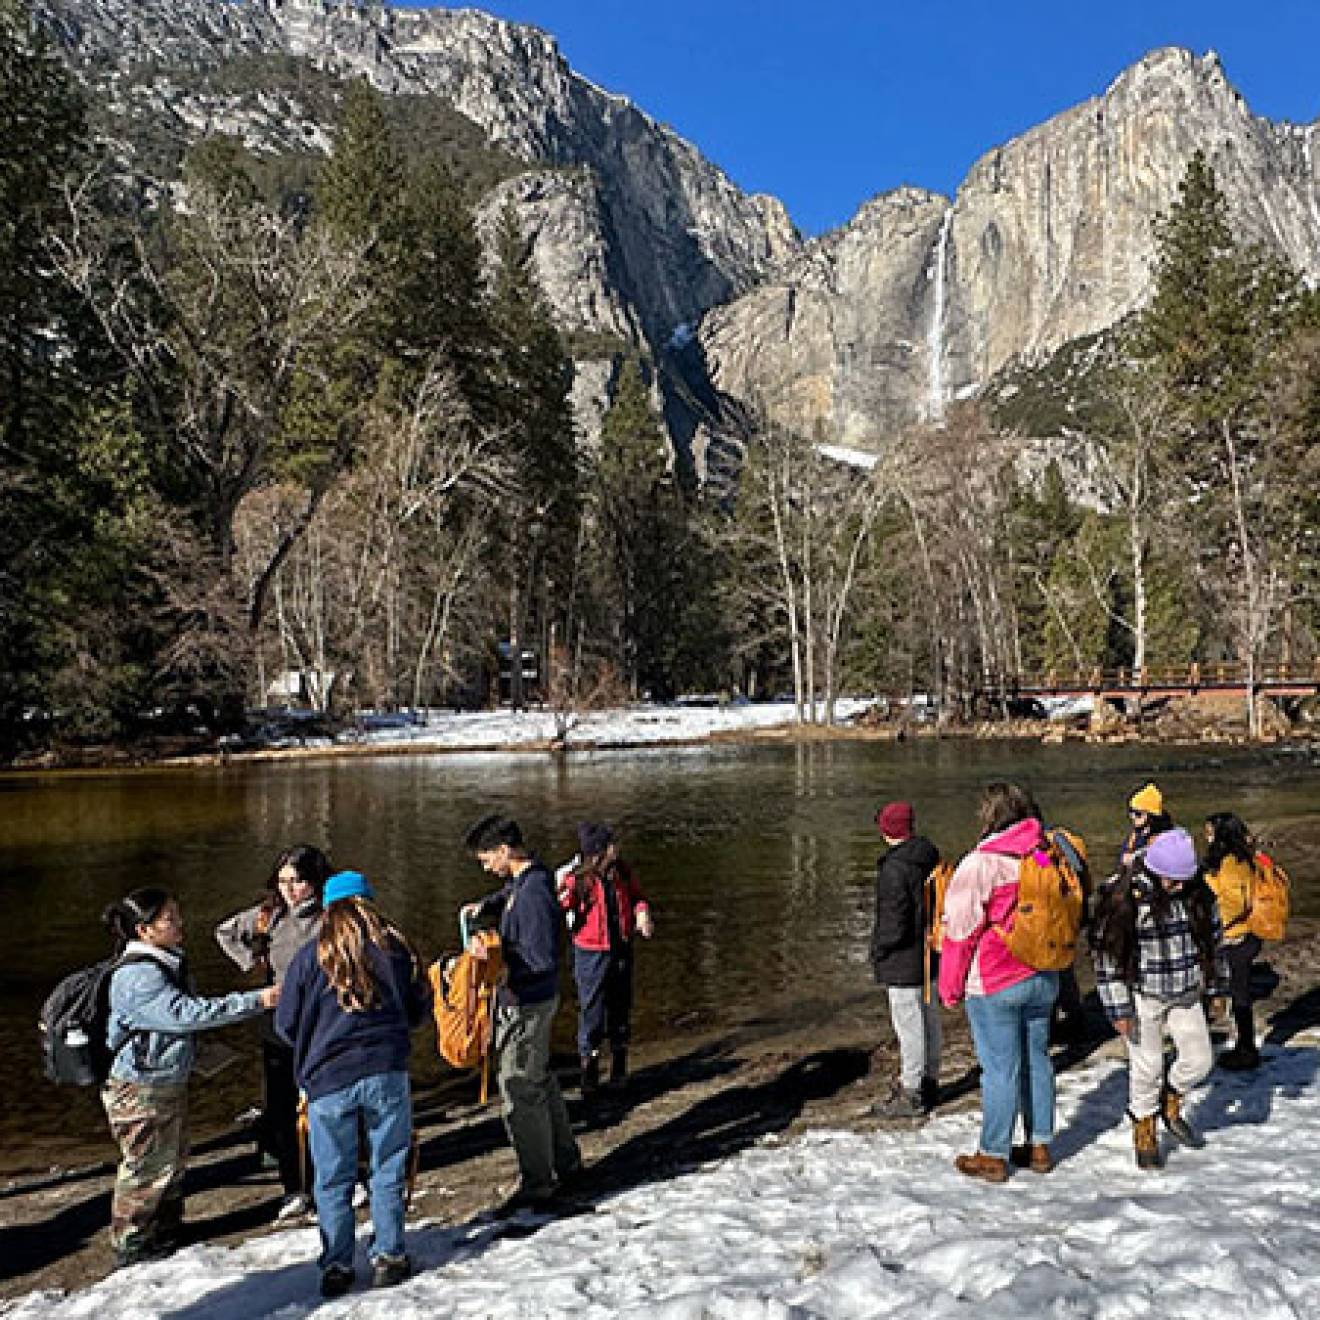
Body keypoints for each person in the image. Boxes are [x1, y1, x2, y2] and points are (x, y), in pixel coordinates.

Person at [276, 870, 430, 1298]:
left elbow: (285, 1023)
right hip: (386, 1069)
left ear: (327, 908)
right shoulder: (395, 950)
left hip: (328, 1079)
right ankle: (389, 1256)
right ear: (369, 903)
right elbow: (420, 1007)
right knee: (387, 1165)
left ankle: (338, 1265)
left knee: (332, 1176)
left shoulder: (310, 957)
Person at [102, 888, 276, 1269]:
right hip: (140, 1087)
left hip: (163, 1081)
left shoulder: (164, 963)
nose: (179, 924)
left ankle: (163, 1229)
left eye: (177, 915)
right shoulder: (138, 976)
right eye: (169, 919)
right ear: (144, 930)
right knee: (145, 1165)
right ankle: (131, 1242)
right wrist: (256, 1001)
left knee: (172, 1159)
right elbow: (185, 1014)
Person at [938, 782, 1059, 1183]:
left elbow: (960, 931)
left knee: (999, 1069)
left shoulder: (981, 863)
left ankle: (993, 1153)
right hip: (1044, 972)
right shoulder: (1045, 851)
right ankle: (1039, 1144)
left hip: (996, 980)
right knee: (1037, 1059)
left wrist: (949, 987)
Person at [463, 813, 583, 1213]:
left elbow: (541, 956)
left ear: (504, 850)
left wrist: (498, 964)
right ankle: (566, 1162)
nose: (486, 867)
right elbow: (510, 893)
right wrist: (487, 905)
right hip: (535, 1000)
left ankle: (538, 1181)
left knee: (518, 1087)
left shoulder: (532, 895)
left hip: (528, 1004)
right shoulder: (529, 880)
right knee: (541, 1079)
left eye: (486, 860)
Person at [1091, 828, 1227, 1169]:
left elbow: (1214, 944)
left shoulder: (1197, 893)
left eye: (1184, 880)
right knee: (1147, 1066)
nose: (1179, 887)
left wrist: (1216, 988)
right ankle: (1144, 1125)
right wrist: (1118, 1008)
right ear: (1156, 870)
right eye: (1173, 881)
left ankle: (1171, 1098)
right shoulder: (1125, 897)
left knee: (1199, 1060)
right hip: (1143, 995)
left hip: (1184, 992)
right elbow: (1107, 959)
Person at [215, 843, 331, 1219]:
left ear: (315, 881)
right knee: (281, 1106)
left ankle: (332, 1176)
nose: (290, 889)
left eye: (298, 881)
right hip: (280, 1022)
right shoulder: (269, 916)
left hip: (323, 1019)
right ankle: (293, 1185)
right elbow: (225, 932)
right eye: (284, 881)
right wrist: (252, 962)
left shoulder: (331, 916)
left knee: (326, 1102)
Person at [556, 822, 654, 1097]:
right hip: (590, 952)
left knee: (621, 1006)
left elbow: (637, 897)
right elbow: (559, 904)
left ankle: (619, 1064)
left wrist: (642, 913)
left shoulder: (621, 872)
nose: (616, 848)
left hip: (620, 947)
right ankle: (589, 1067)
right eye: (611, 844)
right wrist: (563, 887)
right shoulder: (578, 880)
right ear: (599, 851)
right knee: (592, 1011)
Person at [867, 800, 942, 1118]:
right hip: (928, 949)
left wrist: (878, 950)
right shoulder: (929, 855)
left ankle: (911, 1091)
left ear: (887, 830)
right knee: (928, 1017)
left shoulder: (895, 868)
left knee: (908, 1024)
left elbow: (893, 922)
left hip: (903, 957)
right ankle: (929, 1080)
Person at [1203, 812, 1262, 1071]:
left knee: (1239, 995)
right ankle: (1244, 1046)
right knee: (1239, 992)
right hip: (1242, 935)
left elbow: (1235, 902)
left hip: (1235, 937)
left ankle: (1246, 1049)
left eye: (1209, 831)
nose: (1205, 835)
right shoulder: (1240, 858)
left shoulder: (1230, 863)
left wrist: (1215, 927)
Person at [1118, 782, 1174, 871]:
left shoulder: (1164, 837)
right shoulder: (1136, 834)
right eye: (1131, 811)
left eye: (1138, 813)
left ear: (1151, 815)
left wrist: (1134, 857)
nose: (1132, 816)